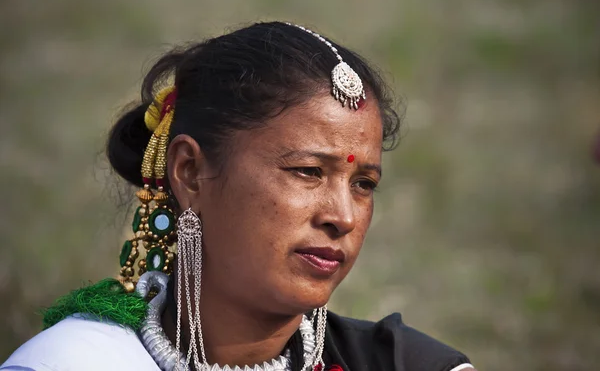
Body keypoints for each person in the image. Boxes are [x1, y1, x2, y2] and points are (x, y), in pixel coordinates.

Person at [1, 21, 475, 371]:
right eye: (308, 171)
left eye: (363, 184)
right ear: (189, 173)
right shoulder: (76, 362)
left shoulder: (409, 366)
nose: (344, 217)